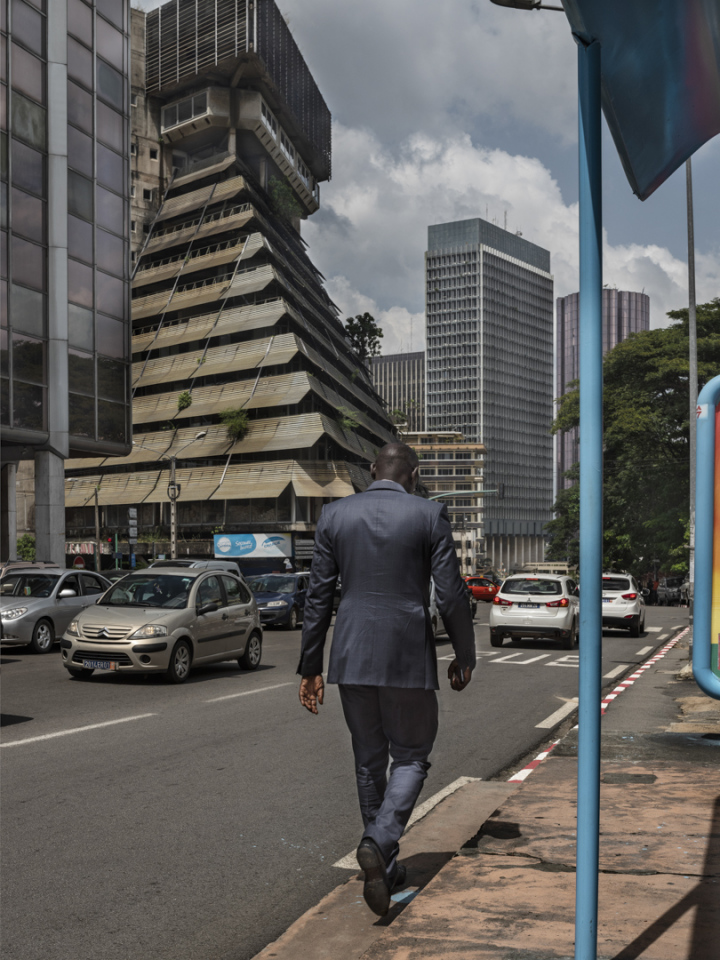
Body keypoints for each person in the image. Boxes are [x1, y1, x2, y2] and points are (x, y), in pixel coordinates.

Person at [297, 442, 476, 916]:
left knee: (368, 760)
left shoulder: (334, 515)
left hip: (351, 653)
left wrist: (310, 667)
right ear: (413, 476)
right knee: (412, 756)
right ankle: (378, 841)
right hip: (406, 656)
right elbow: (452, 594)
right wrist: (465, 653)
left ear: (371, 471)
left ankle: (384, 861)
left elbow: (318, 596)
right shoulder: (429, 515)